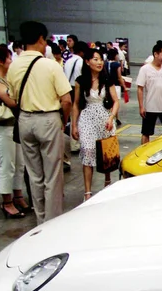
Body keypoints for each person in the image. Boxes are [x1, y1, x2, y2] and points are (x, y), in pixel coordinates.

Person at [8, 21, 72, 224]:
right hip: (48, 119)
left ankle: (40, 219)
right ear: (40, 39)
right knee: (53, 175)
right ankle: (52, 223)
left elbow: (12, 97)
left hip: (25, 120)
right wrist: (63, 121)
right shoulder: (50, 65)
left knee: (34, 174)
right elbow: (66, 100)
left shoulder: (14, 65)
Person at [0, 46, 31, 219]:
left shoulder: (5, 78)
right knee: (7, 166)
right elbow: (11, 101)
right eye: (9, 59)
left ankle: (18, 196)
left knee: (19, 164)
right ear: (0, 61)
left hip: (14, 126)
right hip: (2, 127)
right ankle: (7, 202)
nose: (11, 62)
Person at [71, 48, 119, 201]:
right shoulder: (80, 81)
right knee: (88, 151)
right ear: (87, 62)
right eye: (95, 59)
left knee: (106, 153)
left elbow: (116, 101)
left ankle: (107, 183)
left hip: (104, 118)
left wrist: (111, 117)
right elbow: (76, 104)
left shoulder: (107, 79)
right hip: (87, 118)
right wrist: (74, 125)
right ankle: (87, 192)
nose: (99, 62)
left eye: (100, 59)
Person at [137, 43, 162, 144]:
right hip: (150, 108)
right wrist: (141, 106)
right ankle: (143, 154)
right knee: (146, 133)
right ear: (155, 54)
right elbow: (140, 88)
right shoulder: (145, 69)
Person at [106, 48, 127, 125]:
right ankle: (115, 118)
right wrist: (124, 86)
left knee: (109, 102)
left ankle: (111, 117)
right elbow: (119, 77)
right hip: (115, 86)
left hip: (107, 85)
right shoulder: (117, 65)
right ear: (115, 55)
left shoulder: (105, 63)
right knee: (115, 102)